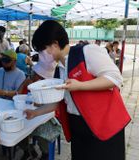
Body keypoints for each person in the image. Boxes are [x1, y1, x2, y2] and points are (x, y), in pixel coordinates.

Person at [24, 20, 130, 160]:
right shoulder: (59, 69)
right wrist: (35, 112)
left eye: (42, 51)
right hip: (78, 126)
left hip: (103, 123)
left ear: (55, 44)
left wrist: (80, 85)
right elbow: (61, 100)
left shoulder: (86, 52)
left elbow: (115, 78)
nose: (41, 56)